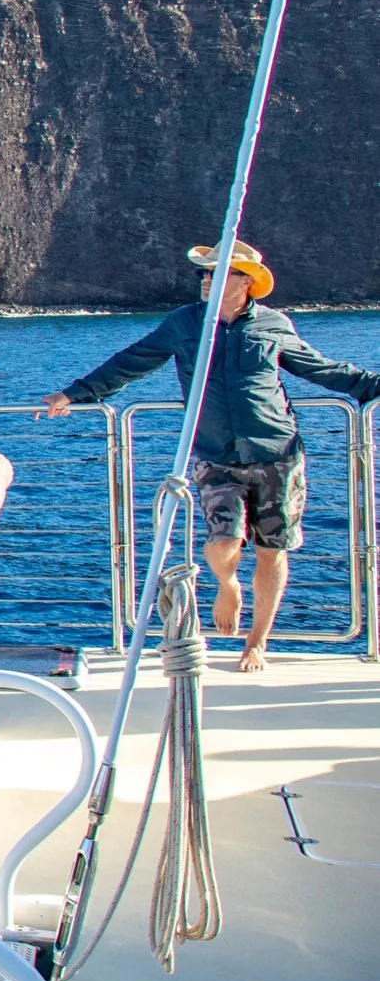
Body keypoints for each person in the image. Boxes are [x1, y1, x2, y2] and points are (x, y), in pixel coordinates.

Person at [41, 241, 380, 672]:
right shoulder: (184, 324)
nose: (205, 280)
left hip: (278, 453)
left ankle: (256, 643)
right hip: (216, 456)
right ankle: (227, 584)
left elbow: (324, 369)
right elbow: (133, 361)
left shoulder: (274, 325)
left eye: (217, 274)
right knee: (222, 544)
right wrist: (75, 393)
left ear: (245, 283)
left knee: (272, 552)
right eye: (203, 274)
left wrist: (375, 386)